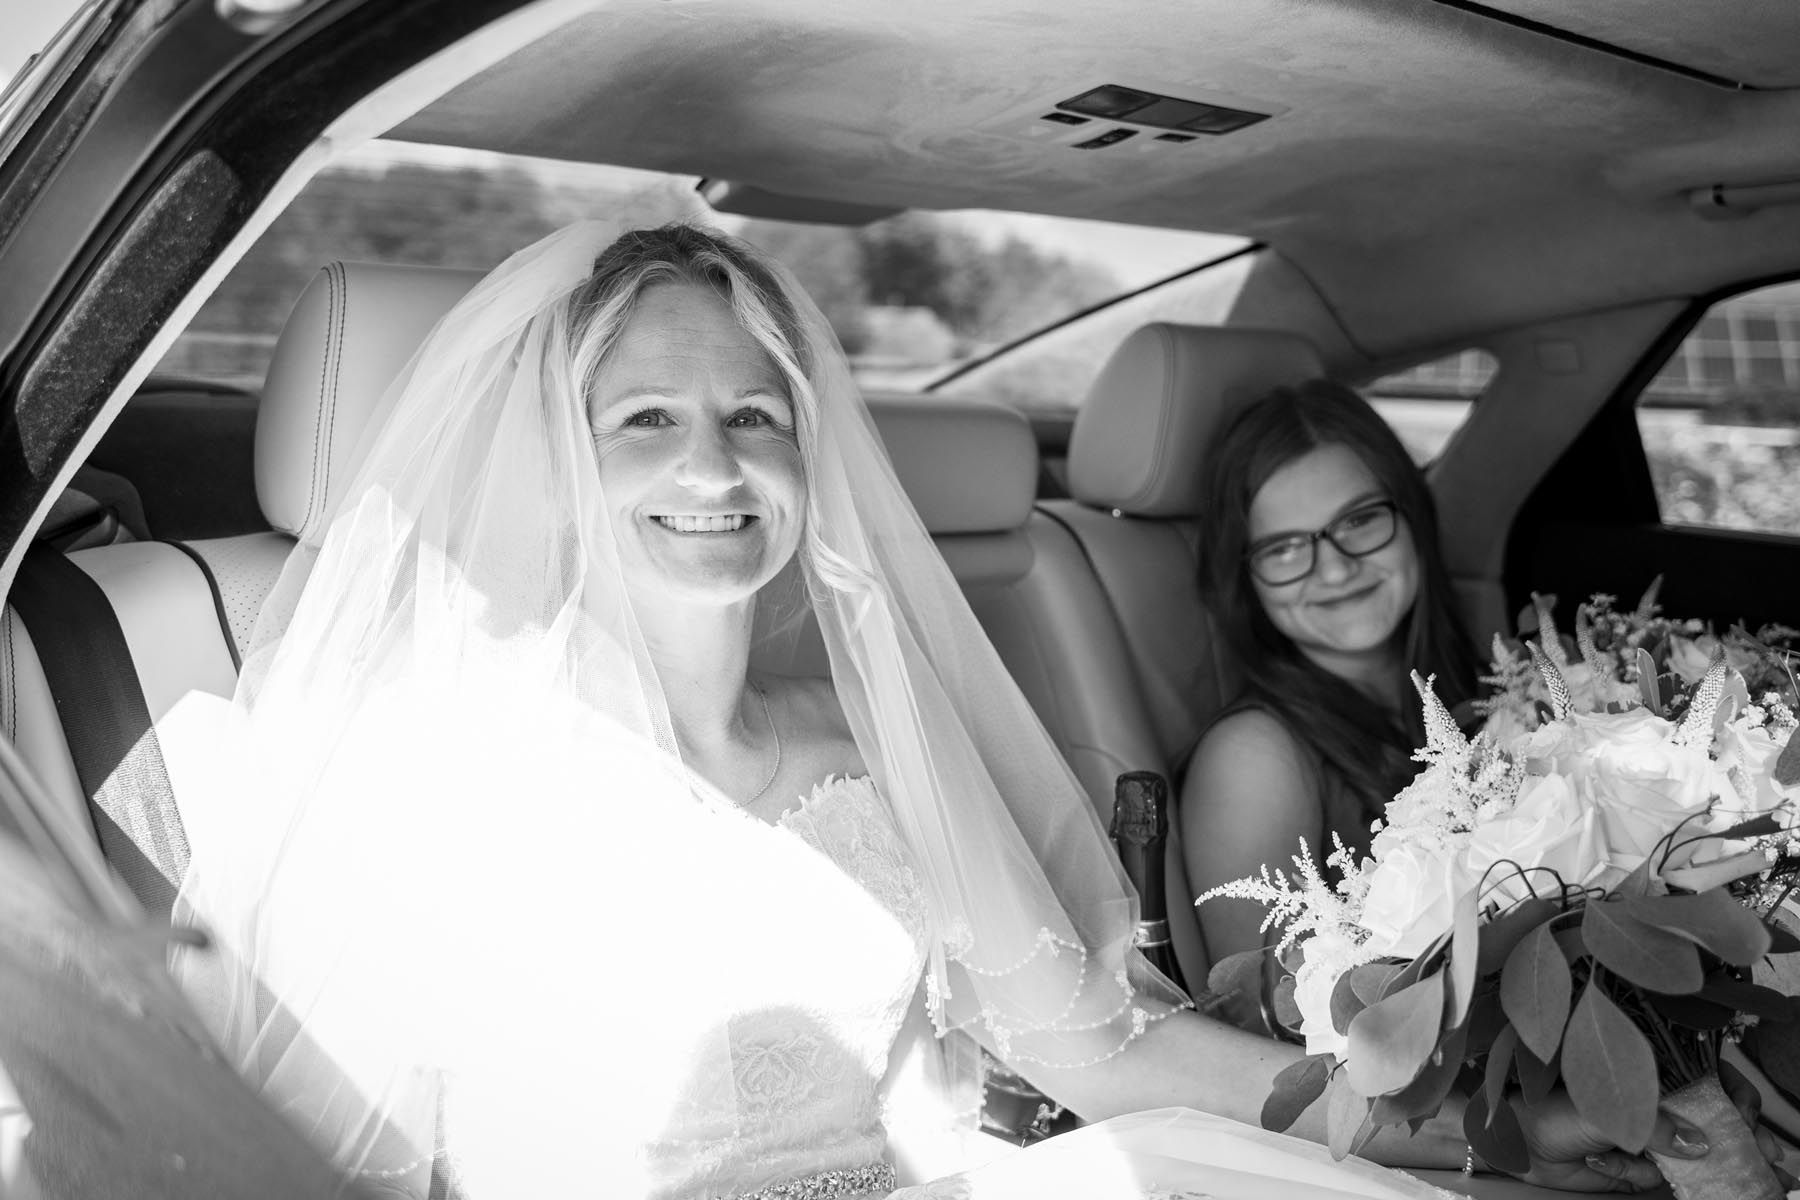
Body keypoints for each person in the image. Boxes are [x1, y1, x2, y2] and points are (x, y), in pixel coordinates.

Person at [169, 223, 1708, 1197]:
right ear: (556, 465)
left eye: (755, 418)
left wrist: (1497, 1134)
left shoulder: (870, 744)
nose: (715, 471)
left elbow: (1113, 1053)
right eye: (645, 420)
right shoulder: (433, 774)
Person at [1181, 380, 1480, 1011]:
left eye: (1359, 520)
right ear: (1245, 577)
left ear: (1411, 518)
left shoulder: (1478, 688)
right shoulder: (1254, 759)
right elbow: (1265, 1033)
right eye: (1284, 548)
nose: (1336, 568)